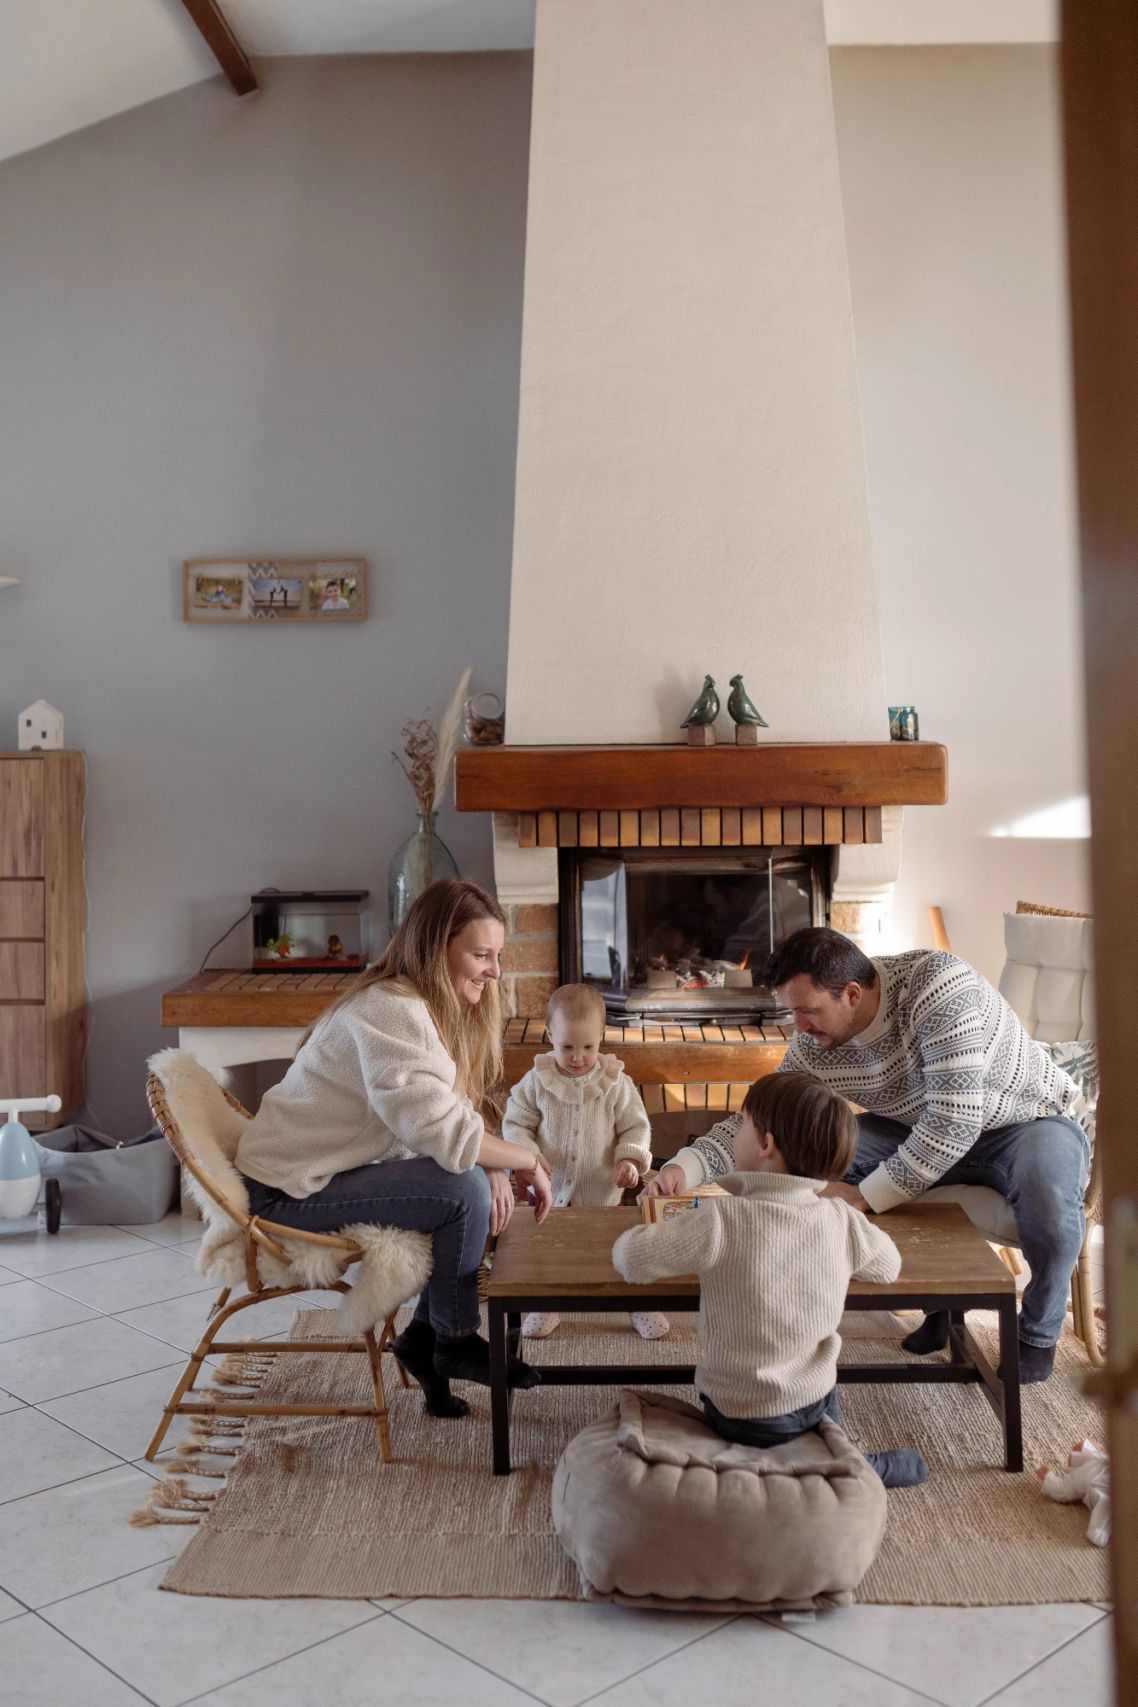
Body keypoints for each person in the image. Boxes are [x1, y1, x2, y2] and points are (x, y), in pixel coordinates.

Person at [647, 927, 1092, 1384]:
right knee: (811, 1160)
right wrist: (688, 1165)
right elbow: (766, 1123)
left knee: (1050, 1199)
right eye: (792, 1012)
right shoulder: (814, 1045)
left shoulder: (938, 986)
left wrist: (864, 1193)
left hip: (1024, 1123)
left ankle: (1036, 1335)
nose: (797, 1027)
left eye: (807, 1011)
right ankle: (939, 1300)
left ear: (852, 994)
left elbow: (954, 1123)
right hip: (910, 1129)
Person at [235, 878, 552, 1419]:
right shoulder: (389, 1009)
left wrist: (493, 1166)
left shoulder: (417, 1007)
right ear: (435, 948)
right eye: (481, 955)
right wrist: (525, 1159)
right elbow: (434, 1127)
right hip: (286, 1191)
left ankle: (422, 1339)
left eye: (498, 956)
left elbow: (441, 1110)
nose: (495, 971)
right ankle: (452, 1339)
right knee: (462, 1190)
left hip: (320, 1175)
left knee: (471, 1181)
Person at [617, 1073, 926, 1487]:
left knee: (776, 1433)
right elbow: (889, 1265)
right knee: (818, 1375)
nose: (735, 1132)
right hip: (812, 1400)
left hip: (738, 1412)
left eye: (741, 1122)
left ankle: (817, 1470)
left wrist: (660, 1225)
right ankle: (841, 1458)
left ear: (765, 1145)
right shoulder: (840, 1219)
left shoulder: (720, 1220)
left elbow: (629, 1259)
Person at [503, 983, 667, 1341]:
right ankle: (547, 1306)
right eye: (567, 1047)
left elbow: (635, 1127)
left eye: (588, 1047)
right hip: (550, 1191)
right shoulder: (538, 1081)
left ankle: (638, 1303)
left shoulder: (615, 1083)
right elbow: (515, 1122)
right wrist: (529, 1157)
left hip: (602, 1194)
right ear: (549, 1036)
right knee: (547, 1256)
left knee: (619, 1252)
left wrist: (630, 1160)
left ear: (602, 1037)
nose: (578, 1057)